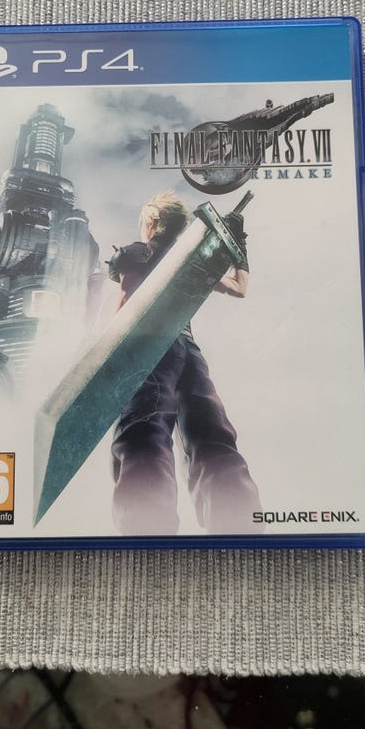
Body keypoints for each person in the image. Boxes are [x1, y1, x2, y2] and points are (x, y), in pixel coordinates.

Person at [108, 190, 262, 535]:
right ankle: (237, 519)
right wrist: (238, 244)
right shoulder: (193, 260)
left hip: (149, 345)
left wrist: (109, 361)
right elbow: (240, 287)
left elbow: (125, 309)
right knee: (211, 434)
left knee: (145, 430)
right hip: (188, 351)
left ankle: (145, 525)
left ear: (152, 221)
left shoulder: (139, 252)